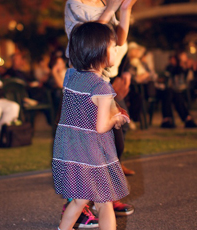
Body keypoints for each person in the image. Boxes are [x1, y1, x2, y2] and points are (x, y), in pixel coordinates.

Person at [62, 1, 137, 227]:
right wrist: (117, 117)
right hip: (93, 153)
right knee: (103, 201)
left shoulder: (71, 77)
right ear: (100, 51)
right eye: (113, 48)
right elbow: (101, 126)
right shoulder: (102, 88)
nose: (117, 50)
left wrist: (124, 9)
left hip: (71, 147)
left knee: (79, 201)